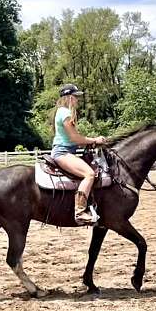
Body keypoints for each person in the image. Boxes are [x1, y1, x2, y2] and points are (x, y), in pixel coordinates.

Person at [51, 84, 107, 225]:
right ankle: (80, 212)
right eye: (76, 97)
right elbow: (74, 138)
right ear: (69, 97)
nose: (77, 100)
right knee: (89, 174)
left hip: (66, 151)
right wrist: (94, 140)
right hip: (63, 152)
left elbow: (76, 139)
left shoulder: (61, 112)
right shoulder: (65, 113)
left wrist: (90, 142)